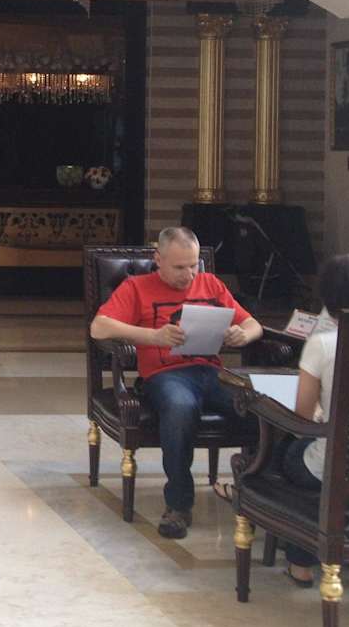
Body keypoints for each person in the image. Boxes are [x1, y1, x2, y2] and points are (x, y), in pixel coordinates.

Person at [90, 226, 263, 538]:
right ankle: (179, 504)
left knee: (261, 407)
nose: (189, 274)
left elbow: (253, 325)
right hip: (164, 375)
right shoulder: (137, 287)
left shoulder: (211, 284)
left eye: (193, 265)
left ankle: (258, 497)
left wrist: (243, 334)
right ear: (158, 259)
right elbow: (99, 327)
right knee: (181, 407)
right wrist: (152, 336)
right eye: (180, 267)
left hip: (211, 372)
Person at [272, 254, 349, 587]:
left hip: (335, 464)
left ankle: (300, 562)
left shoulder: (322, 344)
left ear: (327, 297)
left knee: (285, 456)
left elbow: (302, 417)